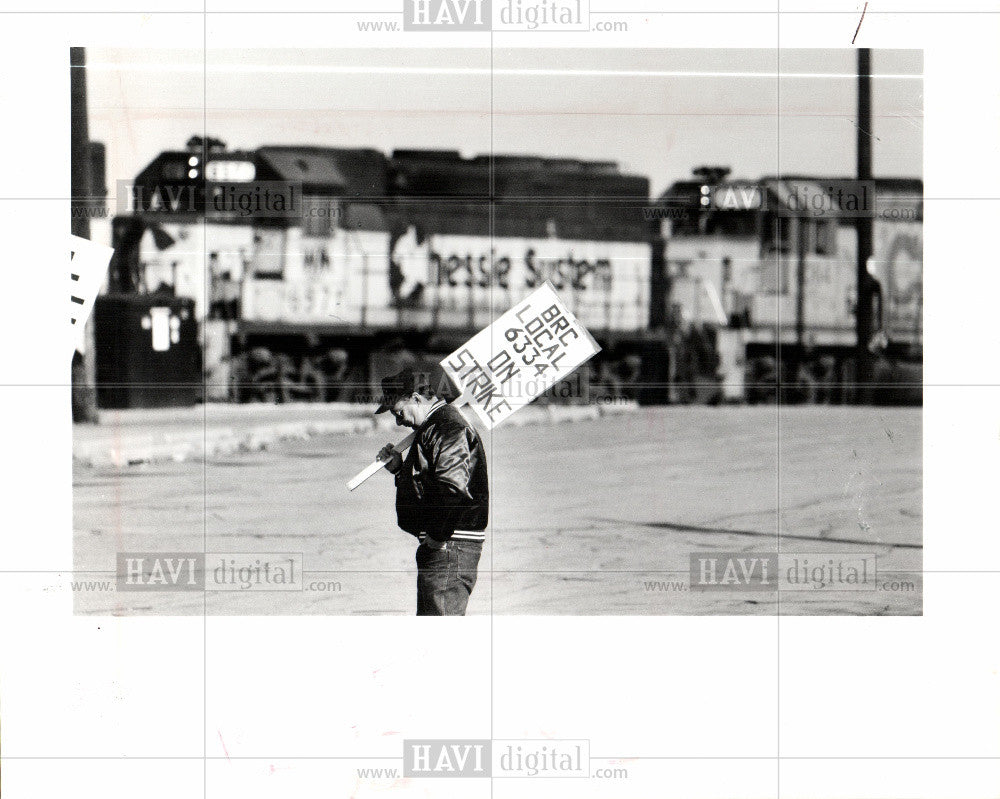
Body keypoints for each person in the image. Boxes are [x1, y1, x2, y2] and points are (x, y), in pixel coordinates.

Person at [374, 364, 488, 616]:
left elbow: (451, 488)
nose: (398, 420)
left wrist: (436, 537)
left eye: (398, 411)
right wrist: (399, 470)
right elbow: (432, 483)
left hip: (449, 544)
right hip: (446, 544)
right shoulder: (436, 426)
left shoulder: (447, 427)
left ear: (415, 398)